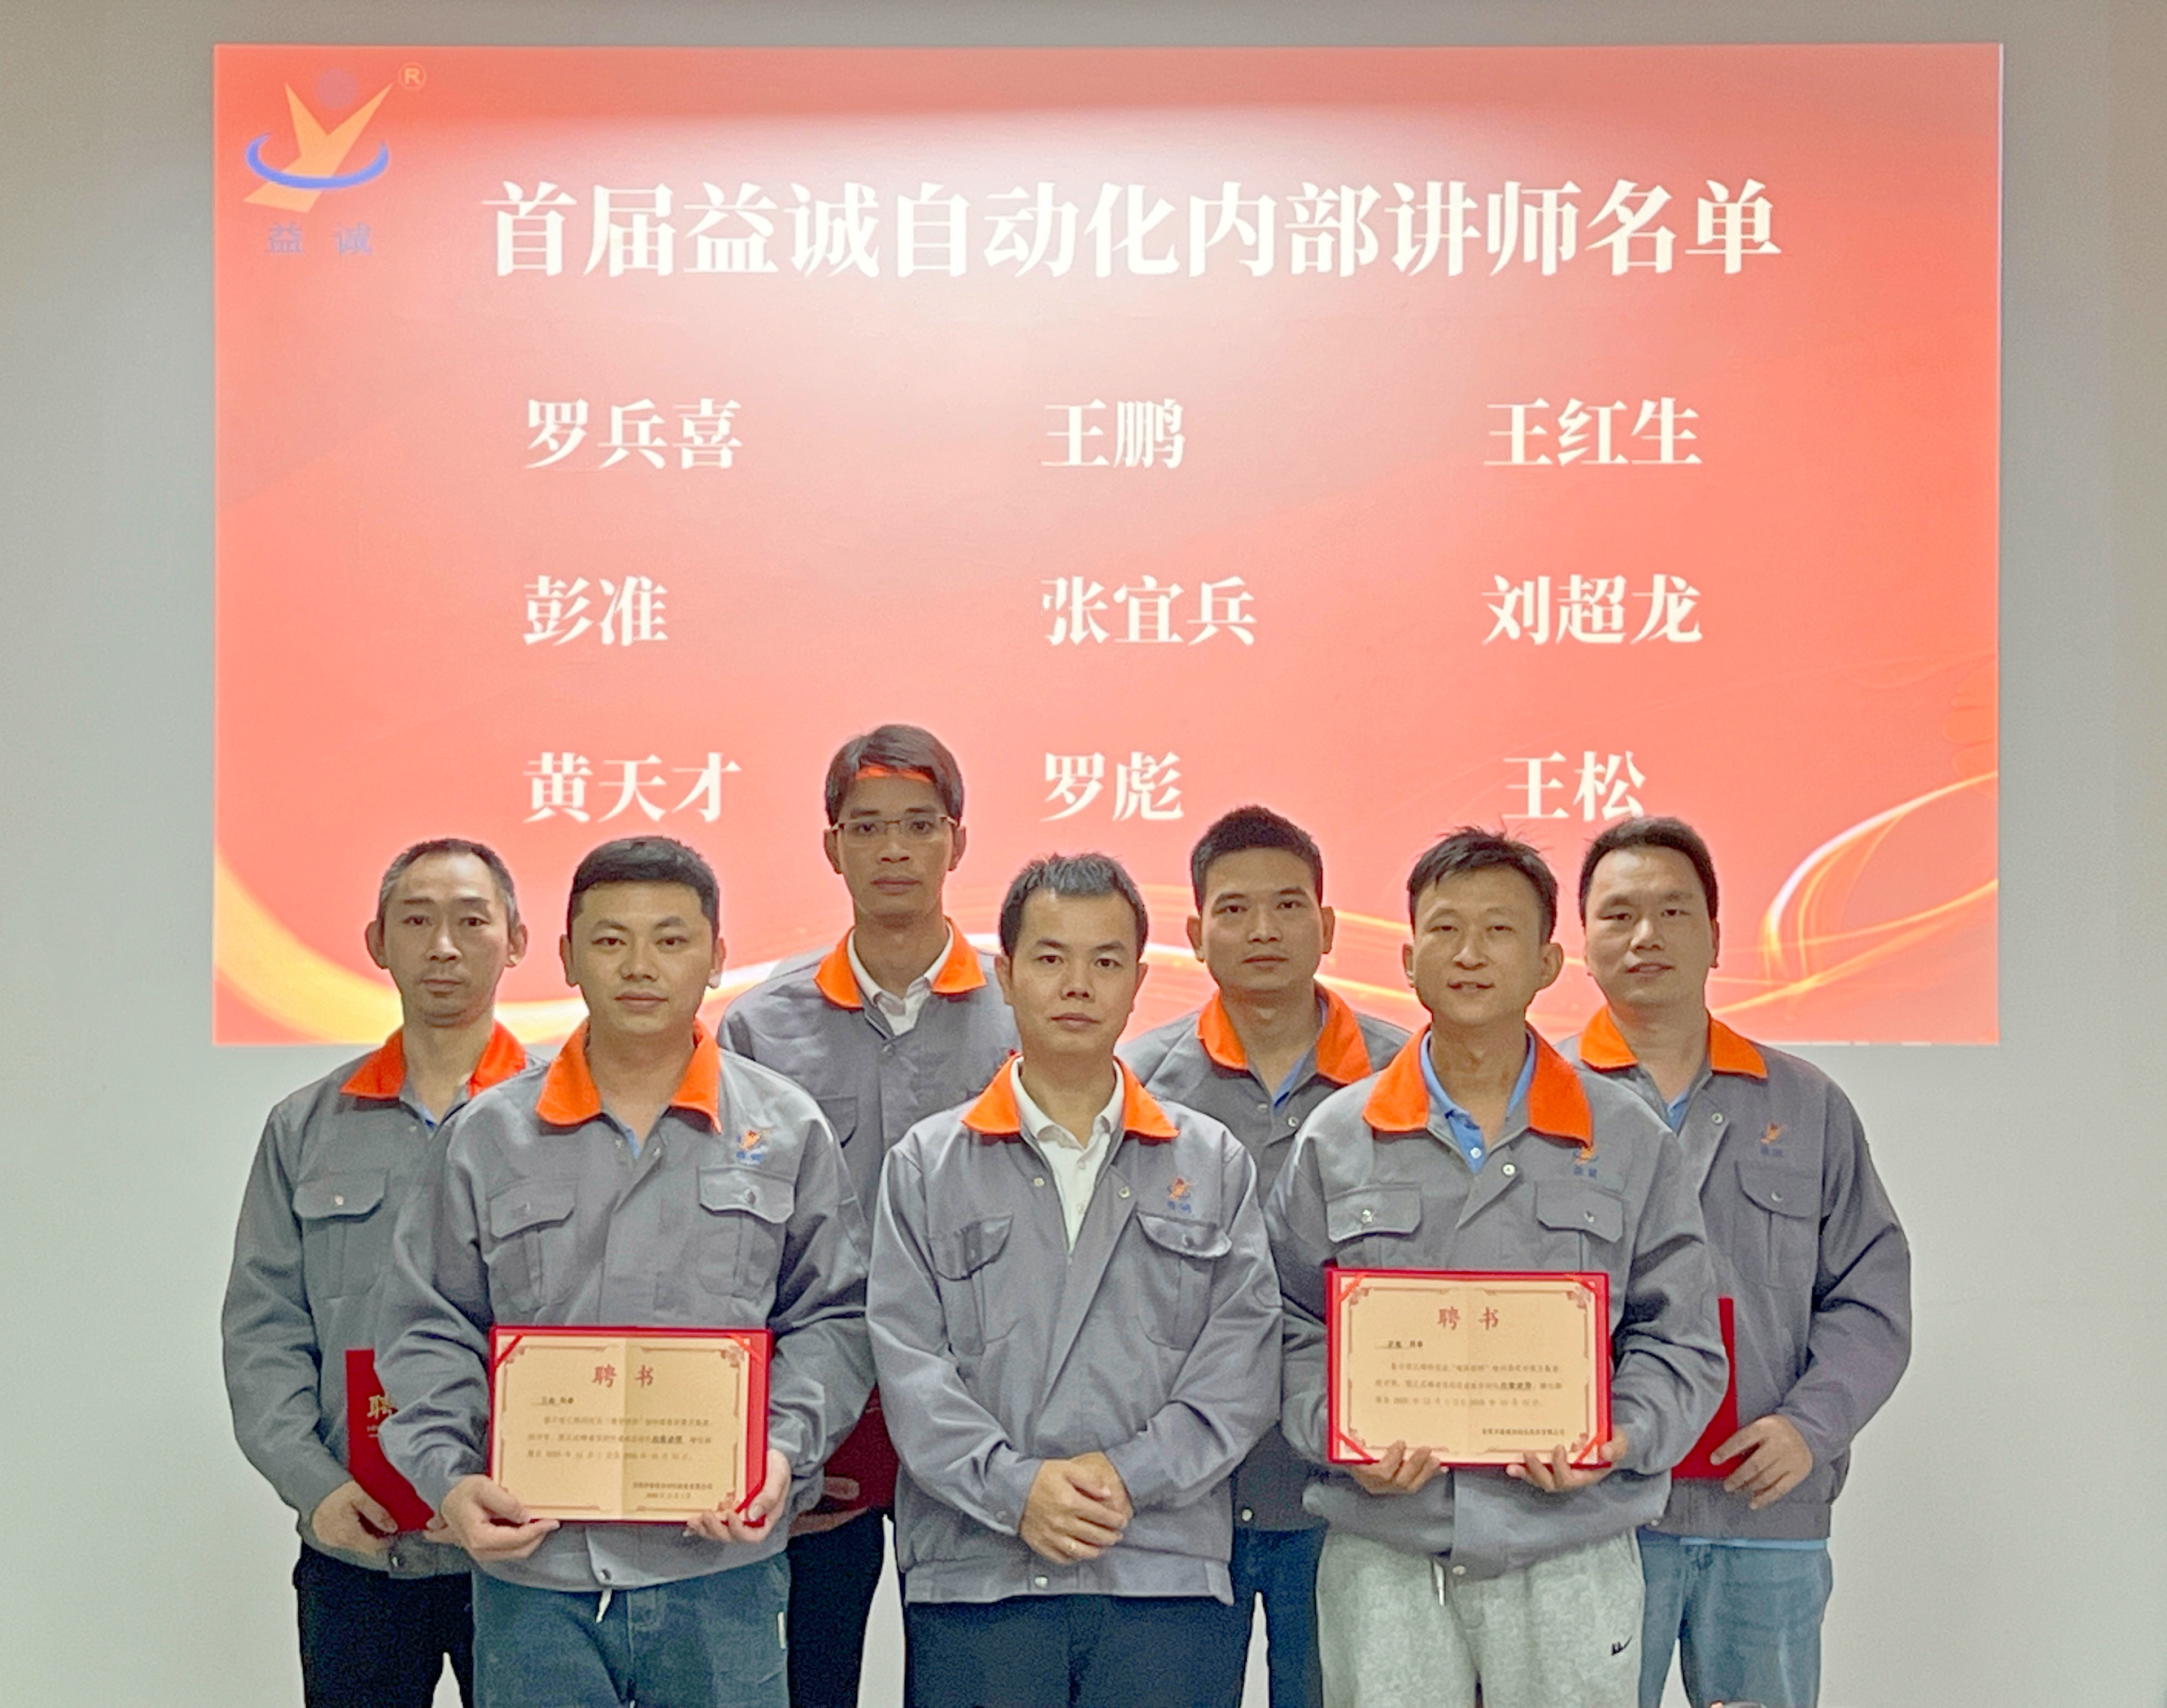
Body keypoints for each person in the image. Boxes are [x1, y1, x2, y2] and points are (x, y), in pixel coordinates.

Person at [375, 836, 873, 1708]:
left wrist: (780, 1453)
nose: (640, 966)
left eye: (671, 940)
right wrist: (451, 1479)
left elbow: (832, 1317)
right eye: (610, 941)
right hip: (537, 1575)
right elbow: (429, 1324)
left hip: (719, 1571)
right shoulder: (488, 1136)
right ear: (567, 958)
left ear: (717, 958)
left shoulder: (786, 1129)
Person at [1267, 828, 1726, 1708]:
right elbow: (1285, 1322)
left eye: (1499, 930)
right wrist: (1338, 1434)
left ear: (1549, 961)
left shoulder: (1624, 1137)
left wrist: (1620, 1436)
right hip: (1387, 1547)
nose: (1469, 954)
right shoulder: (1338, 1137)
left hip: (1568, 1546)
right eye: (1444, 929)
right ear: (1407, 959)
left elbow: (1681, 1338)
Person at [869, 853, 1280, 1708]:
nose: (1078, 986)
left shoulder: (1211, 1162)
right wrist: (1015, 1489)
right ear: (1005, 975)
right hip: (977, 1577)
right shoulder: (926, 1165)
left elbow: (1241, 1363)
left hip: (1164, 1575)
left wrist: (1131, 1477)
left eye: (1106, 961)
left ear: (1138, 983)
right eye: (1051, 958)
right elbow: (909, 1366)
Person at [1569, 816, 1911, 1708]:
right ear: (1578, 945)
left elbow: (1869, 1296)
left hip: (1762, 1513)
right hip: (1593, 1516)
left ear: (1717, 938)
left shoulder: (1806, 1104)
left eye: (1673, 911)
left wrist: (1810, 1428)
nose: (1645, 936)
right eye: (1618, 915)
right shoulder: (1543, 1102)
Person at [723, 725, 1017, 1708]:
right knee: (812, 1674)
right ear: (831, 846)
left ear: (957, 841)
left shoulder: (1022, 1013)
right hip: (824, 1409)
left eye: (919, 826)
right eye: (868, 827)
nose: (894, 849)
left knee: (970, 1677)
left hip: (982, 1403)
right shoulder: (761, 1025)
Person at [223, 837, 531, 1707]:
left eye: (471, 922)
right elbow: (264, 1329)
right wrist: (315, 1489)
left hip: (523, 1551)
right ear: (376, 943)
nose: (444, 947)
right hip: (357, 1544)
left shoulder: (562, 1120)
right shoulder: (305, 1127)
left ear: (516, 942)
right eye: (417, 921)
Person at [1121, 805, 1409, 1708]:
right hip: (1179, 1503)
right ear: (1193, 933)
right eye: (1234, 909)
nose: (1262, 931)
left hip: (1350, 1497)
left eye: (1287, 907)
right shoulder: (1136, 1086)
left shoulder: (1406, 1080)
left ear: (1327, 926)